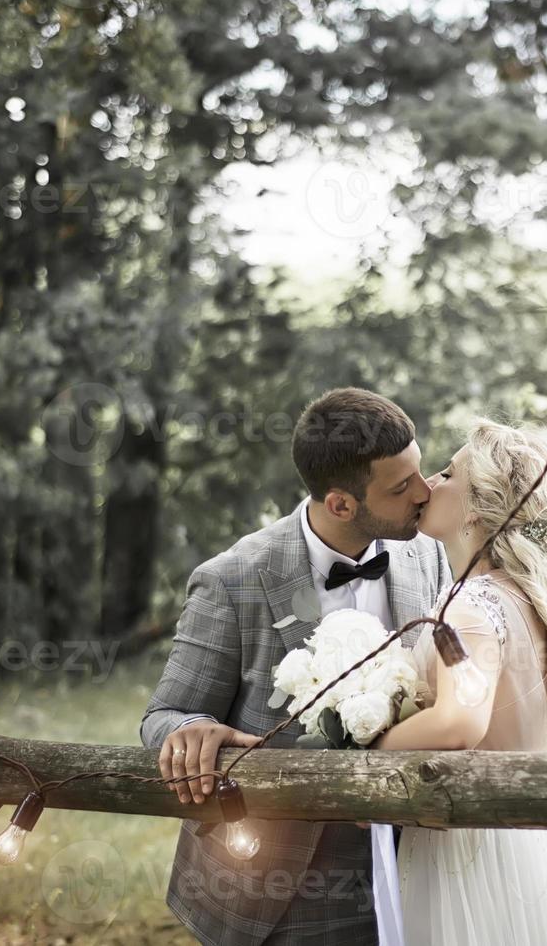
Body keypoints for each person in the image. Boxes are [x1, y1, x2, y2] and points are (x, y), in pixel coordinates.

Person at [140, 387, 450, 946]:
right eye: (402, 487)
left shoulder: (427, 552)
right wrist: (188, 732)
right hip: (274, 882)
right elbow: (165, 713)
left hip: (410, 866)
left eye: (420, 472)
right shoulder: (233, 579)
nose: (425, 494)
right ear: (341, 504)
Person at [374, 418, 547, 945]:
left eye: (447, 473)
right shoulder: (524, 598)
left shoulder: (468, 604)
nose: (430, 484)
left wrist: (369, 750)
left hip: (473, 853)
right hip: (534, 839)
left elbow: (459, 721)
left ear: (475, 507)